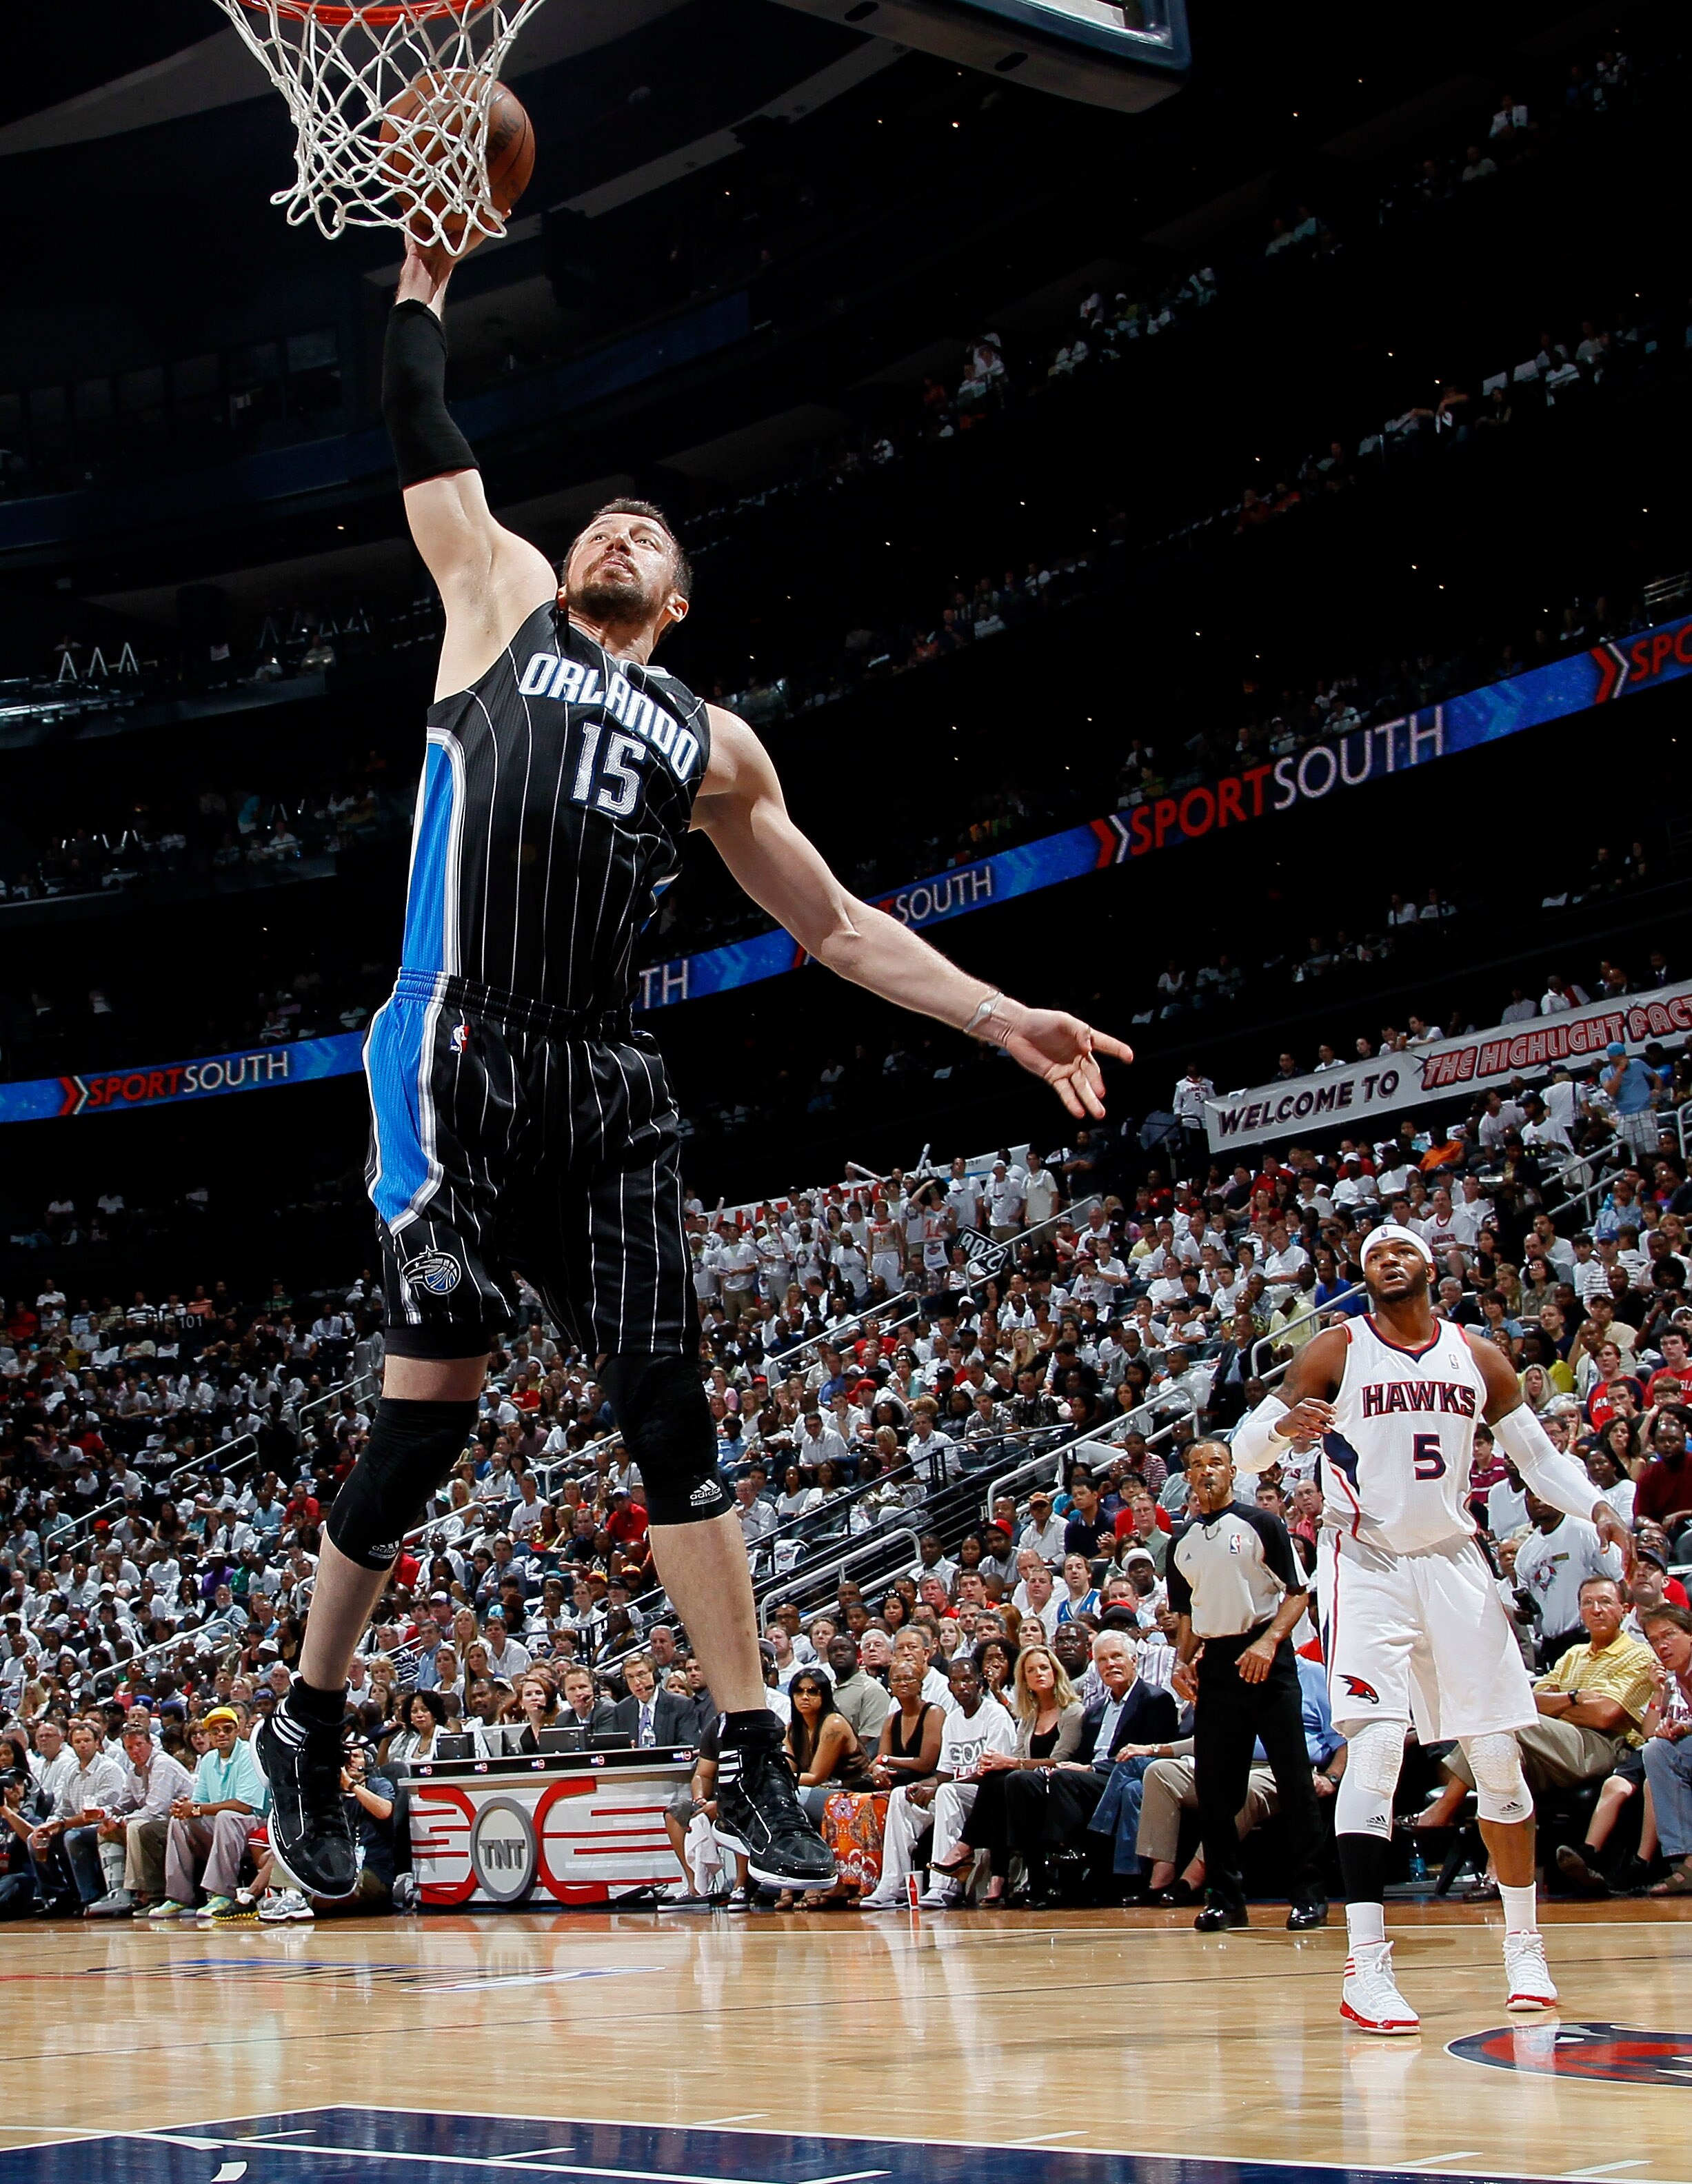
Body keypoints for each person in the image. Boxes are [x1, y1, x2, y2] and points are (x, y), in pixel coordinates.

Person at [258, 232, 1134, 1905]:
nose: (614, 531)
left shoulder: (714, 743)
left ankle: (749, 1756)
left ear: (675, 602)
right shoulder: (497, 601)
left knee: (673, 1412)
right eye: (603, 520)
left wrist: (999, 1015)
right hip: (452, 1040)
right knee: (432, 1406)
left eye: (645, 534)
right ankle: (308, 1717)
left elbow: (839, 925)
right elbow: (421, 421)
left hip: (601, 1086)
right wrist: (424, 279)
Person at [1230, 1220, 1632, 2032]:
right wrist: (1283, 1430)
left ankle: (1525, 1948)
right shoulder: (1336, 1349)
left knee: (1499, 1758)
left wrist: (1596, 1506)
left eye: (1401, 1249)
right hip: (1364, 1559)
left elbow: (1536, 1459)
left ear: (1428, 1264)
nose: (1388, 1259)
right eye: (1374, 1254)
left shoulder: (1477, 1356)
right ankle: (1366, 1968)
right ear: (1365, 1274)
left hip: (1453, 1560)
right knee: (1378, 1746)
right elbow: (1244, 1454)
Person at [1165, 1442, 1327, 1933]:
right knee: (1215, 1791)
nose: (1206, 1471)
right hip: (1216, 1665)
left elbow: (1297, 1594)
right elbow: (1187, 1614)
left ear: (1233, 1471)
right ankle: (1226, 1899)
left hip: (1267, 1659)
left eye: (1215, 1463)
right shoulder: (1181, 1542)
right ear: (1188, 1478)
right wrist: (1181, 1661)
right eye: (1197, 1465)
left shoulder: (1262, 1523)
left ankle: (1309, 1895)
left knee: (1294, 1781)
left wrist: (1269, 1642)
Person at [858, 1655, 1016, 1908]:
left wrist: (940, 1787)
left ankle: (944, 1885)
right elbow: (944, 1774)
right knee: (901, 1795)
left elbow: (994, 1771)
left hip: (988, 1795)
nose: (962, 1686)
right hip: (956, 1792)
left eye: (967, 1680)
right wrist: (924, 1786)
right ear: (949, 1686)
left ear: (979, 1682)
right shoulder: (953, 1720)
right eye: (955, 1681)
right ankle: (894, 1883)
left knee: (946, 1793)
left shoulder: (995, 1714)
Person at [942, 1642, 1085, 1903]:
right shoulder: (1030, 1715)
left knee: (1011, 1779)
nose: (1039, 1674)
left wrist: (1009, 1762)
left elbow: (1059, 1760)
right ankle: (998, 1874)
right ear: (1024, 1679)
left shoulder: (1072, 1711)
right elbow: (1020, 1755)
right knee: (996, 1780)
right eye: (1031, 1670)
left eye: (1044, 1668)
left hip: (1061, 1783)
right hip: (1028, 1782)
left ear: (1055, 1672)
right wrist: (1000, 1763)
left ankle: (971, 1850)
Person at [151, 1707, 270, 1923]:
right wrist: (185, 1808)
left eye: (227, 1729)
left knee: (225, 1816)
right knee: (180, 1821)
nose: (221, 1734)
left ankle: (222, 1893)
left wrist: (196, 1808)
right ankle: (178, 1896)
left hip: (255, 1823)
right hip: (223, 1824)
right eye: (215, 1731)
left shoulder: (250, 1754)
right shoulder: (208, 1760)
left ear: (238, 1730)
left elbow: (244, 1806)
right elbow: (199, 1801)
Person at [1638, 1604, 1692, 1894]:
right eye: (1655, 1640)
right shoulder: (1672, 1680)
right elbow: (1648, 1735)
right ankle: (1682, 1858)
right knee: (1656, 1750)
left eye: (1669, 1635)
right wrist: (1658, 1692)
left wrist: (1686, 1728)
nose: (1662, 1646)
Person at [612, 1654, 696, 1748]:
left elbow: (687, 1746)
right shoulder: (622, 1710)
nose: (636, 1683)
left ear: (655, 1675)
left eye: (641, 1674)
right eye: (630, 1677)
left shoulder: (681, 1705)